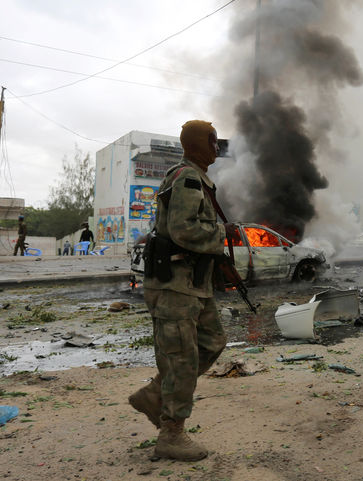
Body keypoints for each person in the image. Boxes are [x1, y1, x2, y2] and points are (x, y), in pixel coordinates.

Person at [128, 120, 233, 461]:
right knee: (181, 360)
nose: (216, 147)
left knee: (212, 342)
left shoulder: (197, 178)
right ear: (197, 144)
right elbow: (183, 229)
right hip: (175, 287)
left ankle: (156, 393)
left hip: (192, 287)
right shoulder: (187, 177)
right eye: (212, 141)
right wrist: (222, 237)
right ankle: (171, 435)